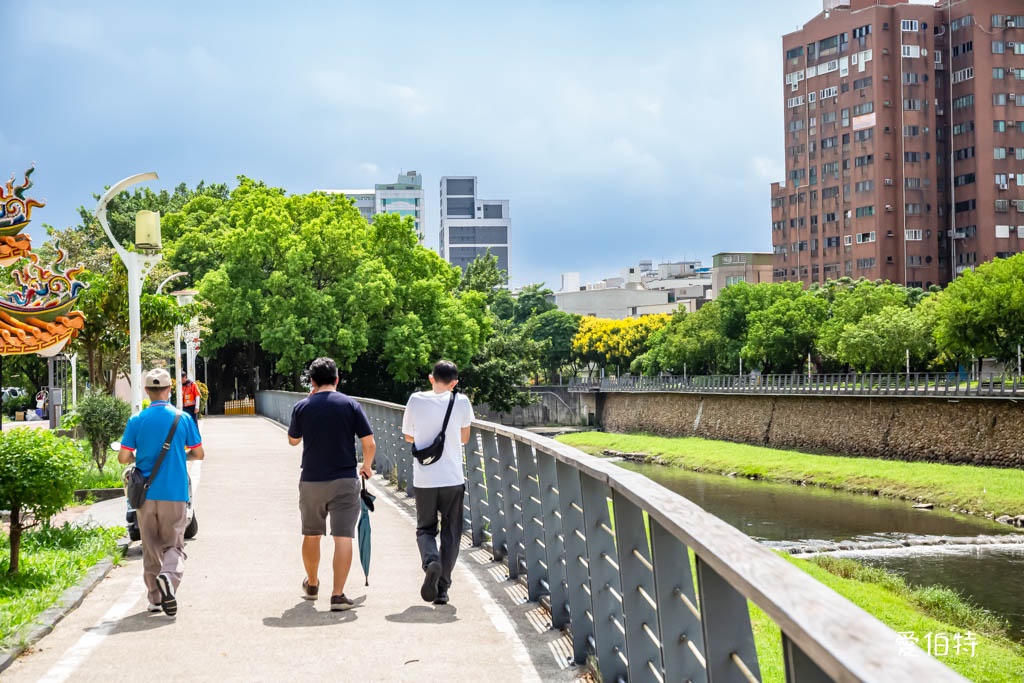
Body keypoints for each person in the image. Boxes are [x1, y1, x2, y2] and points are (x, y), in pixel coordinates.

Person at [287, 357, 376, 611]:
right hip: (345, 479)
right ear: (337, 379)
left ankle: (313, 584)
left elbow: (293, 441)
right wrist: (367, 466)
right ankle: (338, 595)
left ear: (312, 382)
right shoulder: (350, 405)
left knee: (311, 533)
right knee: (343, 537)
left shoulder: (303, 406)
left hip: (312, 480)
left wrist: (307, 403)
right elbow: (369, 443)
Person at [117, 368, 204, 617]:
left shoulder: (137, 420)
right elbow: (198, 453)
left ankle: (155, 599)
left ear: (147, 391)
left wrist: (138, 457)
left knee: (150, 546)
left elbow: (124, 456)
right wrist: (180, 456)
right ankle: (169, 577)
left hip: (144, 495)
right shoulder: (182, 418)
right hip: (175, 492)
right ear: (169, 389)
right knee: (173, 544)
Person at [402, 360, 474, 605]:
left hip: (424, 479)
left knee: (425, 528)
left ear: (431, 378)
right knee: (452, 533)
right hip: (452, 478)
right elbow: (465, 438)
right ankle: (442, 588)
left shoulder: (415, 399)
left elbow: (408, 435)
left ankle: (431, 561)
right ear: (454, 382)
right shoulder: (462, 401)